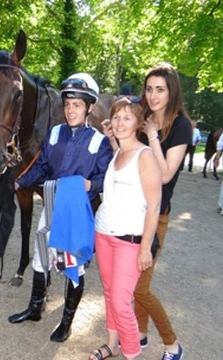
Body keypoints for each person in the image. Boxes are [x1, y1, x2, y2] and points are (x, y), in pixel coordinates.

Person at [6, 73, 113, 343]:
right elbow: (42, 166)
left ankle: (66, 323)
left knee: (72, 266)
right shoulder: (54, 134)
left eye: (77, 105)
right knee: (40, 257)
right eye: (67, 104)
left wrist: (93, 185)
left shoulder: (99, 142)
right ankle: (35, 308)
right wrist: (20, 182)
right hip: (52, 204)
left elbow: (104, 178)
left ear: (89, 107)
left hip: (75, 213)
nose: (70, 110)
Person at [89, 96, 161, 360]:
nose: (120, 122)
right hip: (104, 234)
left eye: (127, 118)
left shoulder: (145, 156)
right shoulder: (117, 152)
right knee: (110, 294)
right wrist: (111, 138)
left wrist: (145, 249)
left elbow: (154, 207)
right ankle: (111, 344)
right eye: (117, 116)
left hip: (129, 241)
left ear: (138, 123)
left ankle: (132, 353)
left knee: (121, 302)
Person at [132, 62, 188, 360]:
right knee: (135, 283)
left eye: (160, 90)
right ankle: (140, 333)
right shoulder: (142, 119)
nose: (153, 96)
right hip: (132, 213)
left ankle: (172, 344)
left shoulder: (180, 126)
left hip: (156, 214)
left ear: (171, 92)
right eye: (150, 89)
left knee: (141, 287)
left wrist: (153, 135)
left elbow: (165, 173)